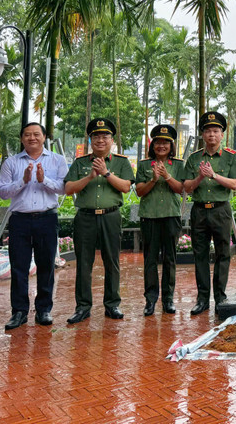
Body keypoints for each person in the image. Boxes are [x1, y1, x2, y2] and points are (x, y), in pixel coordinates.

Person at [0, 122, 69, 330]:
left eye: (36, 134)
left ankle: (44, 310)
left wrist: (42, 179)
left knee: (46, 265)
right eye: (27, 135)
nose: (32, 138)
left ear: (44, 137)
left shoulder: (57, 160)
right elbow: (2, 192)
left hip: (47, 218)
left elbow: (64, 188)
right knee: (19, 266)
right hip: (20, 219)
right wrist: (24, 180)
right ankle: (19, 311)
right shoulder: (11, 162)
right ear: (21, 139)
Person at [63, 118, 135, 324]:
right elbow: (68, 190)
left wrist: (106, 173)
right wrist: (90, 176)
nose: (100, 140)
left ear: (112, 140)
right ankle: (83, 307)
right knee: (84, 263)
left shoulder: (121, 162)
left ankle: (112, 305)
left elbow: (125, 187)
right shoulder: (80, 163)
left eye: (105, 136)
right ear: (90, 140)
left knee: (112, 261)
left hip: (111, 216)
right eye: (96, 136)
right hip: (85, 217)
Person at [182, 111, 236, 316]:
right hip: (199, 211)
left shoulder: (231, 157)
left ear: (222, 134)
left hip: (221, 210)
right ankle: (202, 299)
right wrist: (200, 176)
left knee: (223, 254)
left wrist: (214, 175)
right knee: (199, 255)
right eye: (208, 131)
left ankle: (220, 297)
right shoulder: (193, 158)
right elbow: (187, 187)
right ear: (202, 134)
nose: (211, 135)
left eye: (216, 131)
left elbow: (234, 184)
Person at [135, 124, 185, 316]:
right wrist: (154, 179)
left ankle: (168, 299)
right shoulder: (144, 165)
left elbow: (181, 189)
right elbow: (139, 191)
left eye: (165, 142)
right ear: (152, 145)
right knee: (150, 260)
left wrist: (167, 176)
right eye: (158, 142)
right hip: (150, 217)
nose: (161, 146)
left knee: (170, 259)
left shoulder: (178, 165)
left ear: (171, 146)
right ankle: (150, 300)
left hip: (171, 216)